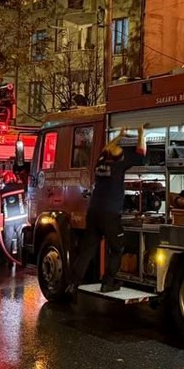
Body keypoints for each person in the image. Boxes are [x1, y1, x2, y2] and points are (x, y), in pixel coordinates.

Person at [68, 125, 146, 294]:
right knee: (117, 248)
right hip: (110, 215)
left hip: (94, 212)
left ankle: (73, 283)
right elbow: (141, 153)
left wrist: (119, 135)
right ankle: (108, 282)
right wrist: (141, 133)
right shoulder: (120, 164)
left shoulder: (101, 161)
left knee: (87, 250)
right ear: (120, 157)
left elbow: (107, 147)